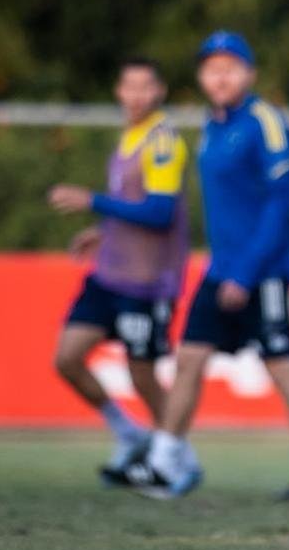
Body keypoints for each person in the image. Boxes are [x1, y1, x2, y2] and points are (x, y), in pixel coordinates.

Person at [129, 31, 289, 502]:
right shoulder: (213, 124)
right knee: (188, 358)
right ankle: (166, 462)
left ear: (248, 73)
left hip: (259, 270)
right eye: (211, 68)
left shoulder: (262, 121)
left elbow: (276, 206)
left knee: (283, 366)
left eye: (230, 66)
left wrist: (245, 274)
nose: (220, 75)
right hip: (220, 268)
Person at [48, 57, 188, 484]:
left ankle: (179, 460)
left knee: (142, 374)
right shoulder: (130, 136)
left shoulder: (163, 140)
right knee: (67, 358)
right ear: (118, 91)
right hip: (110, 273)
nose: (136, 95)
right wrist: (101, 230)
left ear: (159, 91)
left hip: (147, 281)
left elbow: (160, 212)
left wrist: (93, 202)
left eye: (145, 87)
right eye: (129, 86)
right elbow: (131, 204)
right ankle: (130, 434)